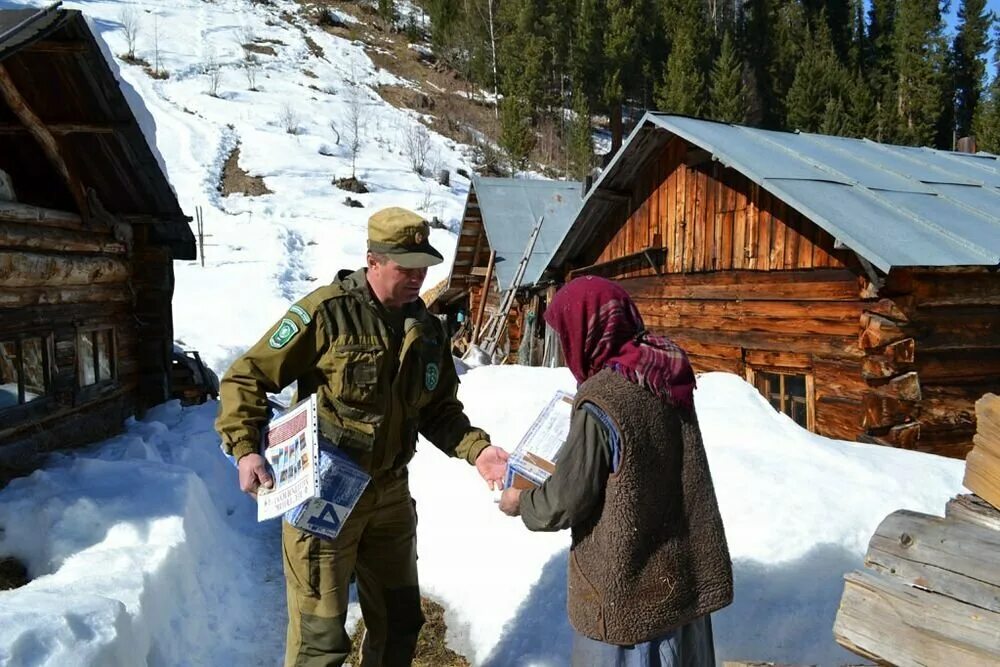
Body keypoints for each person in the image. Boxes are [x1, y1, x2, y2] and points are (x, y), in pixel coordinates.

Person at [215, 207, 509, 667]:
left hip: (389, 497)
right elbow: (246, 377)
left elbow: (439, 411)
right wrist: (246, 449)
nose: (417, 278)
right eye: (405, 268)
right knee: (320, 640)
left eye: (423, 268)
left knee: (399, 623)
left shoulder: (428, 331)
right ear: (372, 260)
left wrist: (479, 451)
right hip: (324, 493)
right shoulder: (326, 314)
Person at [498, 276, 733, 667]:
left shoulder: (603, 400)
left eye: (565, 333)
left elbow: (566, 500)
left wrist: (521, 501)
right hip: (679, 579)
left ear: (585, 330)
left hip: (630, 594)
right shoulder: (662, 370)